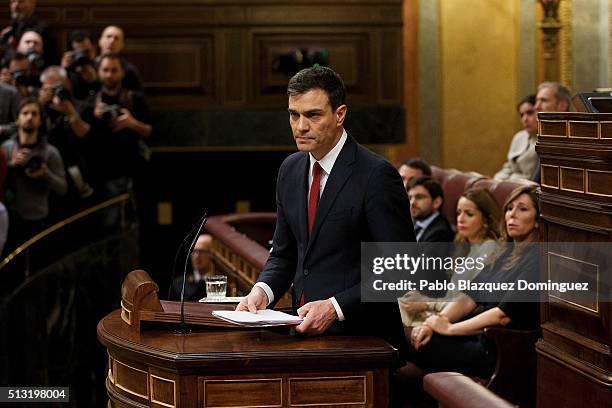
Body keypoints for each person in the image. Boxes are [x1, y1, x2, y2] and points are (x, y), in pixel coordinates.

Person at [236, 66, 414, 346]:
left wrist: (335, 307)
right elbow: (284, 254)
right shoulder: (290, 169)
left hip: (364, 340)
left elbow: (403, 269)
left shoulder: (376, 175)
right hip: (303, 334)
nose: (300, 126)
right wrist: (263, 291)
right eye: (294, 115)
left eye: (313, 115)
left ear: (340, 114)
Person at [408, 185, 540, 378]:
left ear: (537, 221)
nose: (512, 215)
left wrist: (450, 329)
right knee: (414, 336)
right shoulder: (505, 252)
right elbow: (470, 296)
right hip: (475, 336)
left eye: (523, 209)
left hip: (499, 348)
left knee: (407, 340)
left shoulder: (538, 259)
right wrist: (436, 322)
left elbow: (502, 315)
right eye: (509, 208)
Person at [398, 188, 501, 327]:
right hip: (441, 310)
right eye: (459, 212)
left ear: (486, 220)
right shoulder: (464, 245)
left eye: (469, 214)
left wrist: (425, 303)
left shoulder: (489, 248)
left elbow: (468, 301)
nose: (461, 219)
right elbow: (450, 296)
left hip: (458, 319)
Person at [2, 97, 67, 244]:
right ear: (17, 118)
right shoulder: (6, 149)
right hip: (13, 216)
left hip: (40, 219)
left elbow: (63, 189)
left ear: (40, 120)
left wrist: (45, 173)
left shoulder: (50, 152)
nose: (29, 117)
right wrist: (11, 165)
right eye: (25, 113)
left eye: (34, 114)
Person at [531, 82, 571, 182]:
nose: (536, 107)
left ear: (562, 105)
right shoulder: (548, 133)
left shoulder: (567, 136)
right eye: (537, 101)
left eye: (543, 100)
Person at [494, 95, 538, 181]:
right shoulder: (519, 137)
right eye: (522, 115)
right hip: (509, 182)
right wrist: (495, 180)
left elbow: (531, 176)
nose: (525, 119)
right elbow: (509, 167)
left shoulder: (546, 141)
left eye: (530, 113)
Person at [407, 176, 454, 243]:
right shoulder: (413, 220)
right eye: (410, 197)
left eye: (419, 197)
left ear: (436, 202)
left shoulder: (440, 233)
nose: (412, 202)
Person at [170, 234, 216, 301]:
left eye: (202, 251)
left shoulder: (221, 284)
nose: (197, 256)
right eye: (194, 251)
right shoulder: (179, 284)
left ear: (212, 254)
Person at [96, 25, 142, 91]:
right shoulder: (91, 65)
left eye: (116, 38)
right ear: (100, 41)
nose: (112, 41)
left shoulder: (129, 70)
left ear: (122, 44)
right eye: (108, 37)